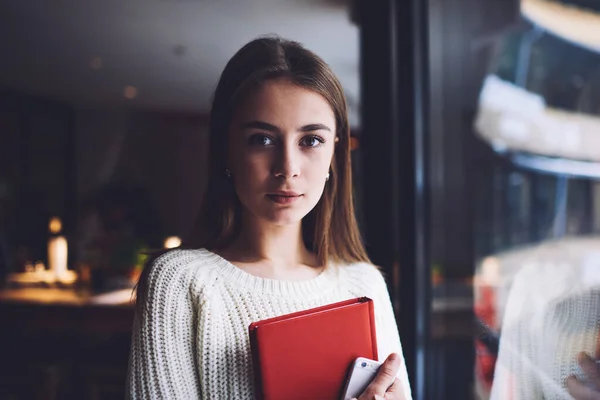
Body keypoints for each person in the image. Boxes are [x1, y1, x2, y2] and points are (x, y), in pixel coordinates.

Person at [126, 36, 411, 400]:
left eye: (310, 141)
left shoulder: (365, 285)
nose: (287, 169)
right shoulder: (182, 283)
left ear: (335, 154)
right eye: (262, 140)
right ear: (227, 149)